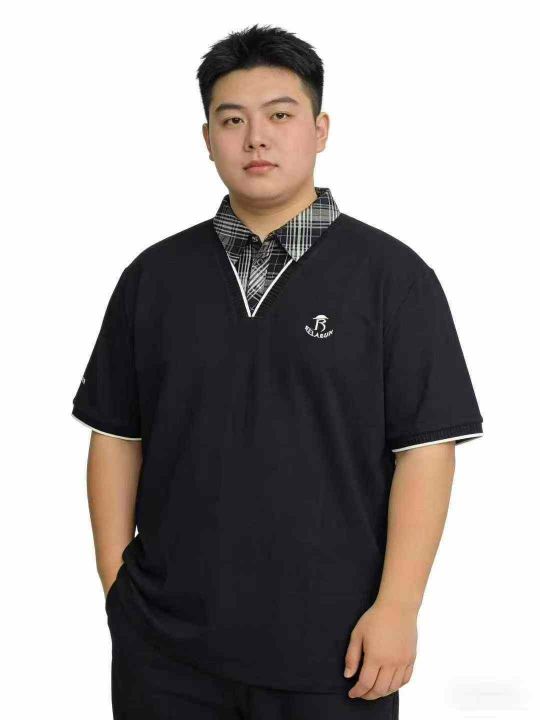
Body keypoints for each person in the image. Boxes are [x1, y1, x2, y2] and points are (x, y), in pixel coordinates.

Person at [71, 23, 484, 720]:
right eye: (232, 120)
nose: (255, 139)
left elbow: (425, 451)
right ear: (207, 139)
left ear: (320, 130)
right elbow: (115, 435)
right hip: (167, 652)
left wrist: (398, 608)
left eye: (280, 116)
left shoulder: (393, 279)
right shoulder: (154, 278)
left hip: (337, 648)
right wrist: (118, 588)